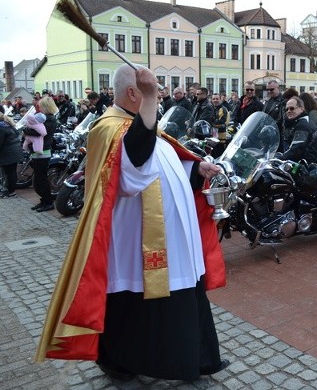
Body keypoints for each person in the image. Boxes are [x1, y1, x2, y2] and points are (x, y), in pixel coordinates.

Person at [36, 64, 228, 381]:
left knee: (184, 299)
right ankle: (125, 363)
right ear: (132, 93)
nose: (155, 97)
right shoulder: (108, 128)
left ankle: (197, 359)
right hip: (136, 243)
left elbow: (165, 160)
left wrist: (197, 171)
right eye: (148, 93)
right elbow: (133, 169)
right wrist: (152, 99)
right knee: (137, 306)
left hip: (175, 240)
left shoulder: (139, 126)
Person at [25, 96, 58, 212]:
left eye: (41, 105)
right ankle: (44, 200)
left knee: (41, 179)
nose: (39, 107)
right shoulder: (46, 118)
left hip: (43, 151)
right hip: (39, 150)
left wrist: (25, 130)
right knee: (39, 178)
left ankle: (48, 202)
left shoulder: (49, 119)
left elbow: (38, 132)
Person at [280, 96, 317, 164]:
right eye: (286, 109)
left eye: (292, 108)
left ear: (301, 109)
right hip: (299, 163)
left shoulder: (303, 124)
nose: (289, 111)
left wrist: (280, 158)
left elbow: (297, 148)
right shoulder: (296, 122)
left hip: (306, 166)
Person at [0, 107, 22, 198]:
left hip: (8, 153)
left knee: (9, 173)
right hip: (14, 151)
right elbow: (17, 134)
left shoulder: (1, 127)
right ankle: (11, 191)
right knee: (11, 172)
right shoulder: (7, 123)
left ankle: (10, 191)